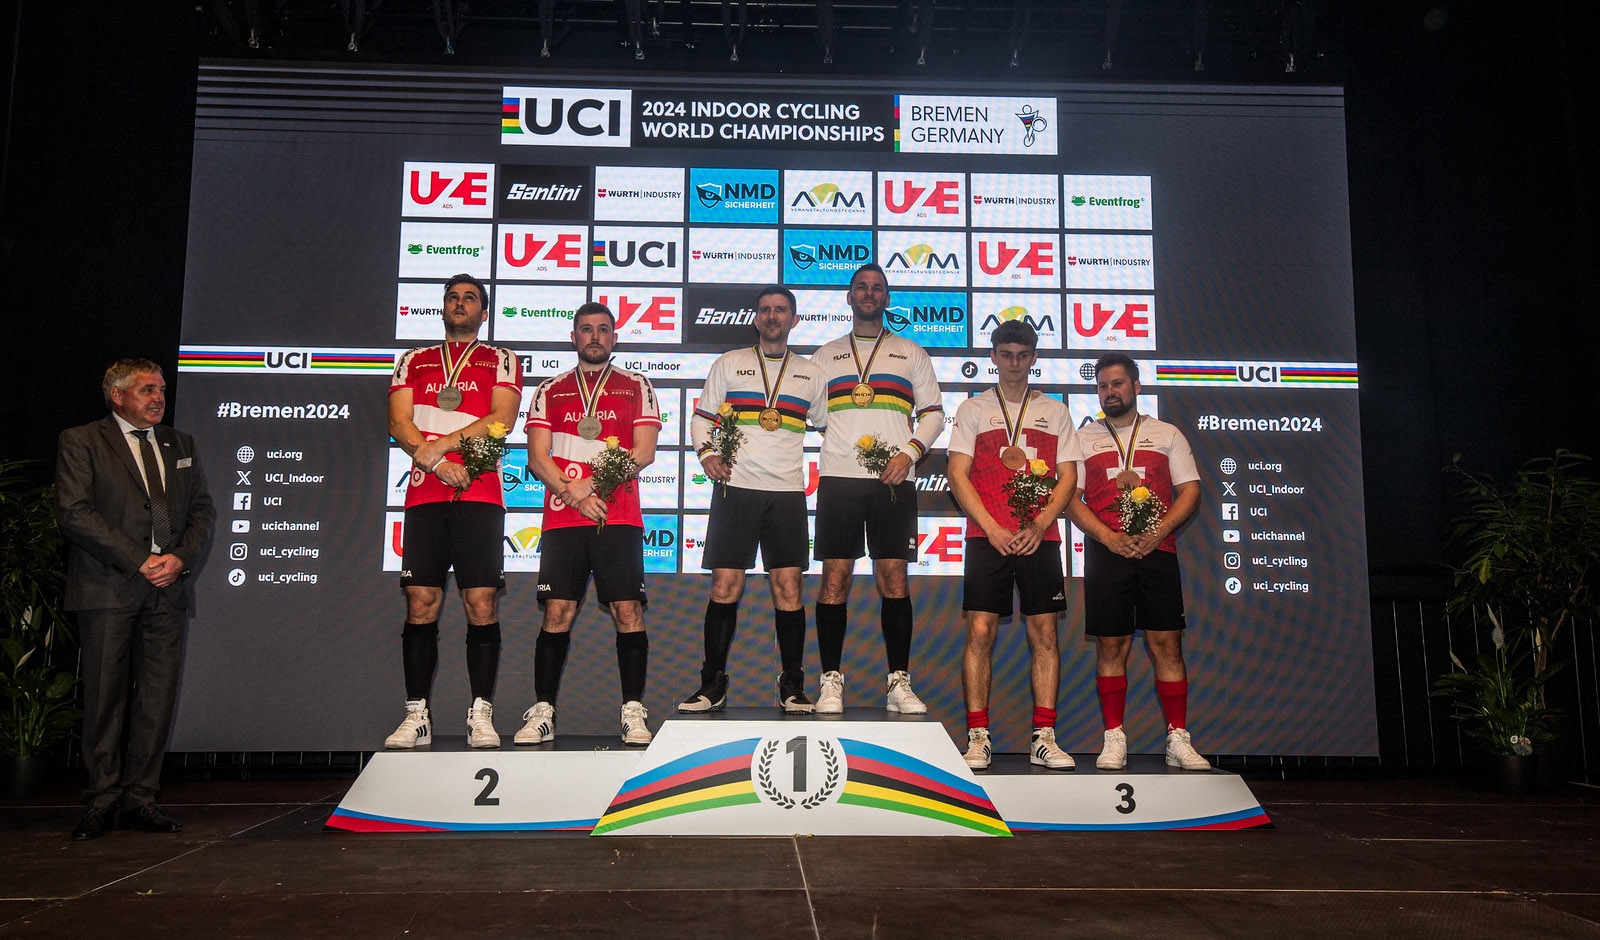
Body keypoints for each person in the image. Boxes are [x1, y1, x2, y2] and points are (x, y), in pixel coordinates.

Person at [56, 359, 215, 839]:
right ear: (117, 395)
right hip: (108, 585)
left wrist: (179, 560)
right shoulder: (82, 440)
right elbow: (74, 513)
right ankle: (103, 800)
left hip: (167, 589)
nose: (158, 398)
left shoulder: (179, 443)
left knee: (156, 699)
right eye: (147, 390)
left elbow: (202, 510)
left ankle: (141, 799)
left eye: (161, 390)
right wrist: (139, 559)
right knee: (105, 697)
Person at [385, 274, 524, 750]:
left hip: (480, 495)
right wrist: (438, 463)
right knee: (420, 603)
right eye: (452, 297)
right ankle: (416, 715)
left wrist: (440, 448)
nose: (459, 303)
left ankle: (480, 713)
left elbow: (501, 418)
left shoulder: (501, 359)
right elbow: (399, 421)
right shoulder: (414, 360)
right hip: (425, 495)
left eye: (469, 299)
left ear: (484, 312)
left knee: (480, 604)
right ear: (442, 308)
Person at [516, 302, 662, 747]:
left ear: (614, 339)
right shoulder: (550, 388)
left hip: (618, 514)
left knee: (627, 612)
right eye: (586, 330)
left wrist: (590, 486)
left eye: (603, 330)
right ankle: (543, 710)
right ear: (573, 336)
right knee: (558, 613)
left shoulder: (637, 385)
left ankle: (633, 709)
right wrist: (573, 493)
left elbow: (645, 452)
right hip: (564, 518)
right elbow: (537, 457)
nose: (594, 337)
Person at [679, 286, 826, 715]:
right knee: (725, 587)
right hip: (736, 489)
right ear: (755, 319)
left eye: (781, 310)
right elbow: (702, 418)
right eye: (765, 310)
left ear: (794, 320)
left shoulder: (811, 374)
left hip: (786, 493)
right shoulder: (730, 364)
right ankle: (712, 684)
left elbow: (827, 426)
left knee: (789, 589)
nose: (772, 316)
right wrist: (707, 454)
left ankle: (792, 684)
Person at [810, 263, 944, 714]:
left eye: (877, 288)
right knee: (835, 579)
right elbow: (810, 416)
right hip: (839, 478)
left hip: (894, 478)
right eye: (861, 288)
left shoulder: (911, 353)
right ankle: (830, 680)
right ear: (849, 298)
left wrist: (908, 453)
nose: (869, 294)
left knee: (894, 578)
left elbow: (933, 414)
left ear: (887, 298)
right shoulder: (824, 356)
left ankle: (898, 683)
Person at [946, 322, 1079, 771]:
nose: (1014, 363)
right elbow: (957, 474)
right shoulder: (973, 408)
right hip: (989, 537)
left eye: (1023, 355)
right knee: (980, 632)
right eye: (1006, 354)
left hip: (1040, 537)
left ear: (1034, 357)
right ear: (994, 356)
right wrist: (992, 528)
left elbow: (1068, 477)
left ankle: (1043, 737)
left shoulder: (1055, 411)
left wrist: (1040, 525)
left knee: (1044, 634)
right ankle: (978, 736)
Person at [1067, 353, 1211, 771]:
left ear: (1136, 386)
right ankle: (1114, 737)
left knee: (1167, 644)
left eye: (1117, 384)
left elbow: (1190, 491)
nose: (1110, 392)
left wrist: (1158, 532)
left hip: (1157, 552)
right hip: (1105, 554)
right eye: (1103, 386)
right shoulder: (1082, 438)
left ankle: (1177, 737)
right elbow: (1069, 499)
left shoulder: (1166, 433)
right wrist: (1109, 537)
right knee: (1112, 646)